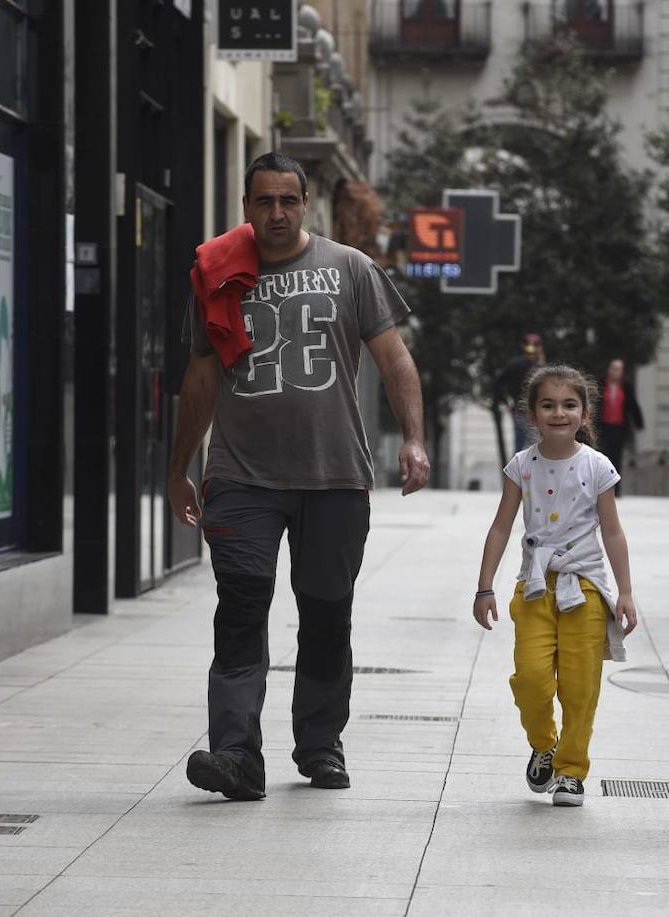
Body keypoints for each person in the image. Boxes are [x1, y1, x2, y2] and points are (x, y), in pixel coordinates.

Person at [169, 152, 430, 801]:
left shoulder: (350, 268)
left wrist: (415, 439)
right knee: (241, 607)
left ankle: (319, 744)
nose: (277, 214)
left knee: (325, 613)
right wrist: (177, 467)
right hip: (240, 476)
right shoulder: (218, 271)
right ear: (246, 207)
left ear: (306, 203)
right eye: (264, 202)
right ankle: (235, 753)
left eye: (289, 200)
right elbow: (201, 376)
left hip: (334, 475)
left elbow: (394, 357)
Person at [472, 364, 639, 807]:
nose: (559, 413)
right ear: (532, 413)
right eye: (548, 405)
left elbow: (614, 533)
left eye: (569, 405)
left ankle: (570, 771)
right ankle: (544, 744)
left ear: (584, 414)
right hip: (533, 589)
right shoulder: (521, 467)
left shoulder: (598, 466)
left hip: (583, 588)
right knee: (531, 679)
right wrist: (484, 587)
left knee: (581, 688)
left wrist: (624, 592)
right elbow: (501, 527)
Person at [595, 358, 644, 494]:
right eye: (614, 369)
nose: (616, 372)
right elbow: (595, 405)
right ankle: (602, 488)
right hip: (604, 426)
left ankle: (616, 488)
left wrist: (639, 422)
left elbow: (633, 405)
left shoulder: (626, 387)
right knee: (604, 456)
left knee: (617, 457)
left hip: (620, 427)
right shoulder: (601, 384)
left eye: (619, 370)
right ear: (609, 370)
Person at [493, 333, 545, 453]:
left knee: (522, 445)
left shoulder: (518, 364)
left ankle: (518, 470)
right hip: (528, 411)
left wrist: (507, 402)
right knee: (534, 444)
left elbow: (498, 384)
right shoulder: (532, 366)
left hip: (522, 410)